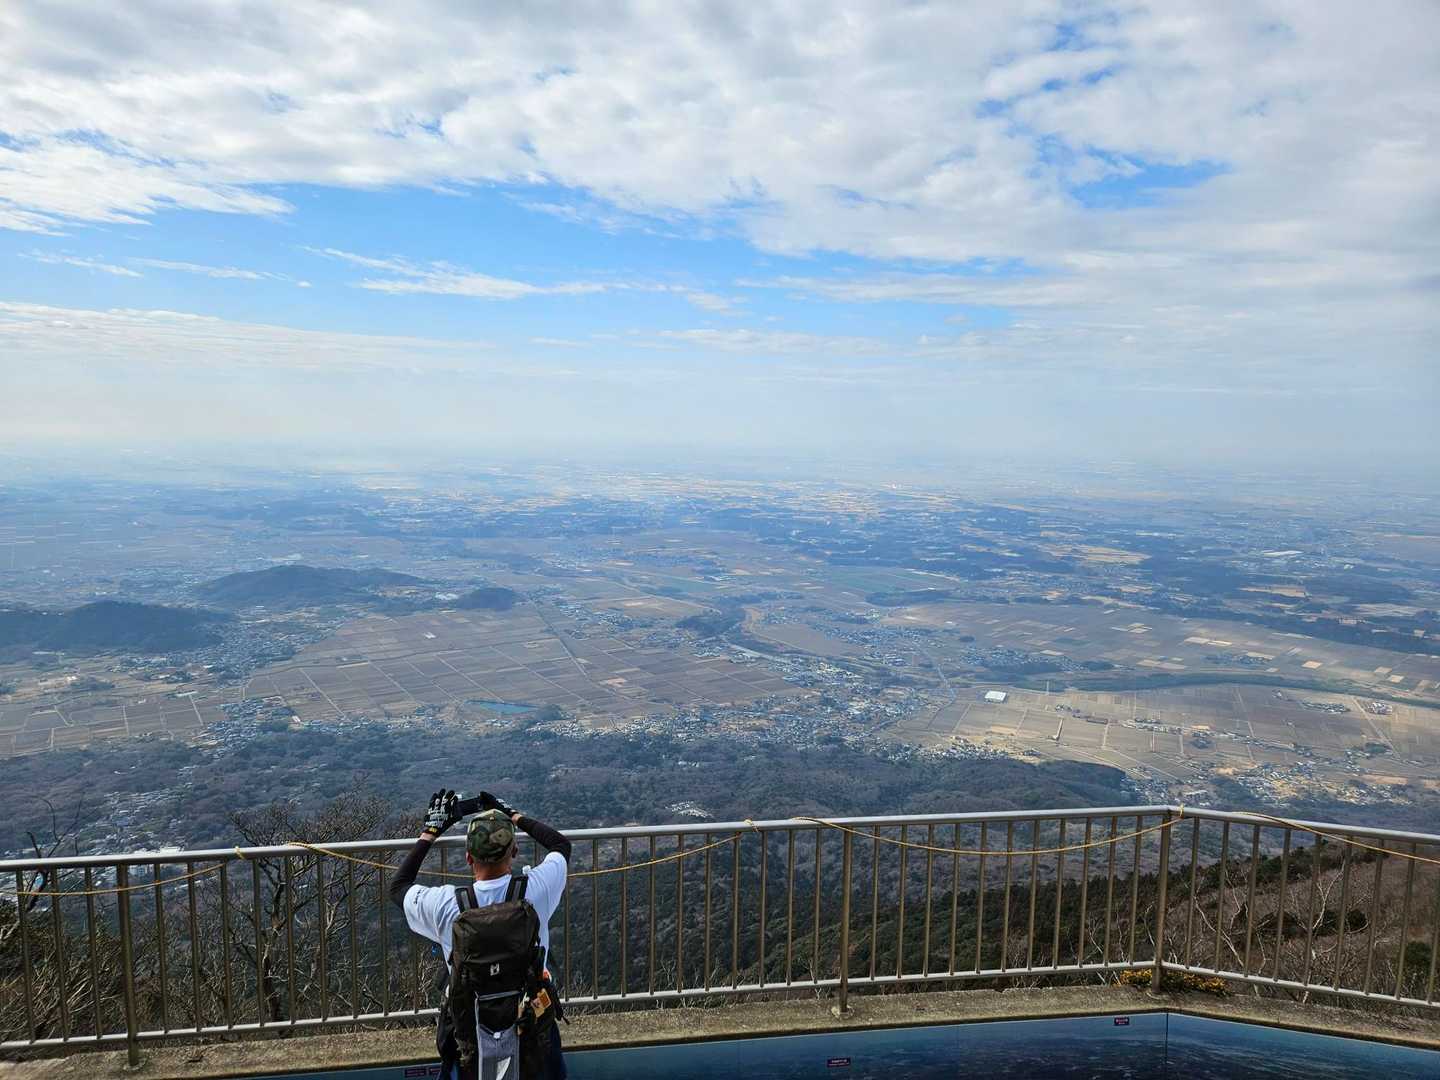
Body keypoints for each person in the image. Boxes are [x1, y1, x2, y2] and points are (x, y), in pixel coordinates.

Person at [389, 790, 572, 1080]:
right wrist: (511, 813)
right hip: (531, 1021)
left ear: (468, 857)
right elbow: (560, 845)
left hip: (471, 1028)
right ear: (514, 852)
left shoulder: (446, 905)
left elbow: (399, 887)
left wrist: (432, 831)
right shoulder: (536, 891)